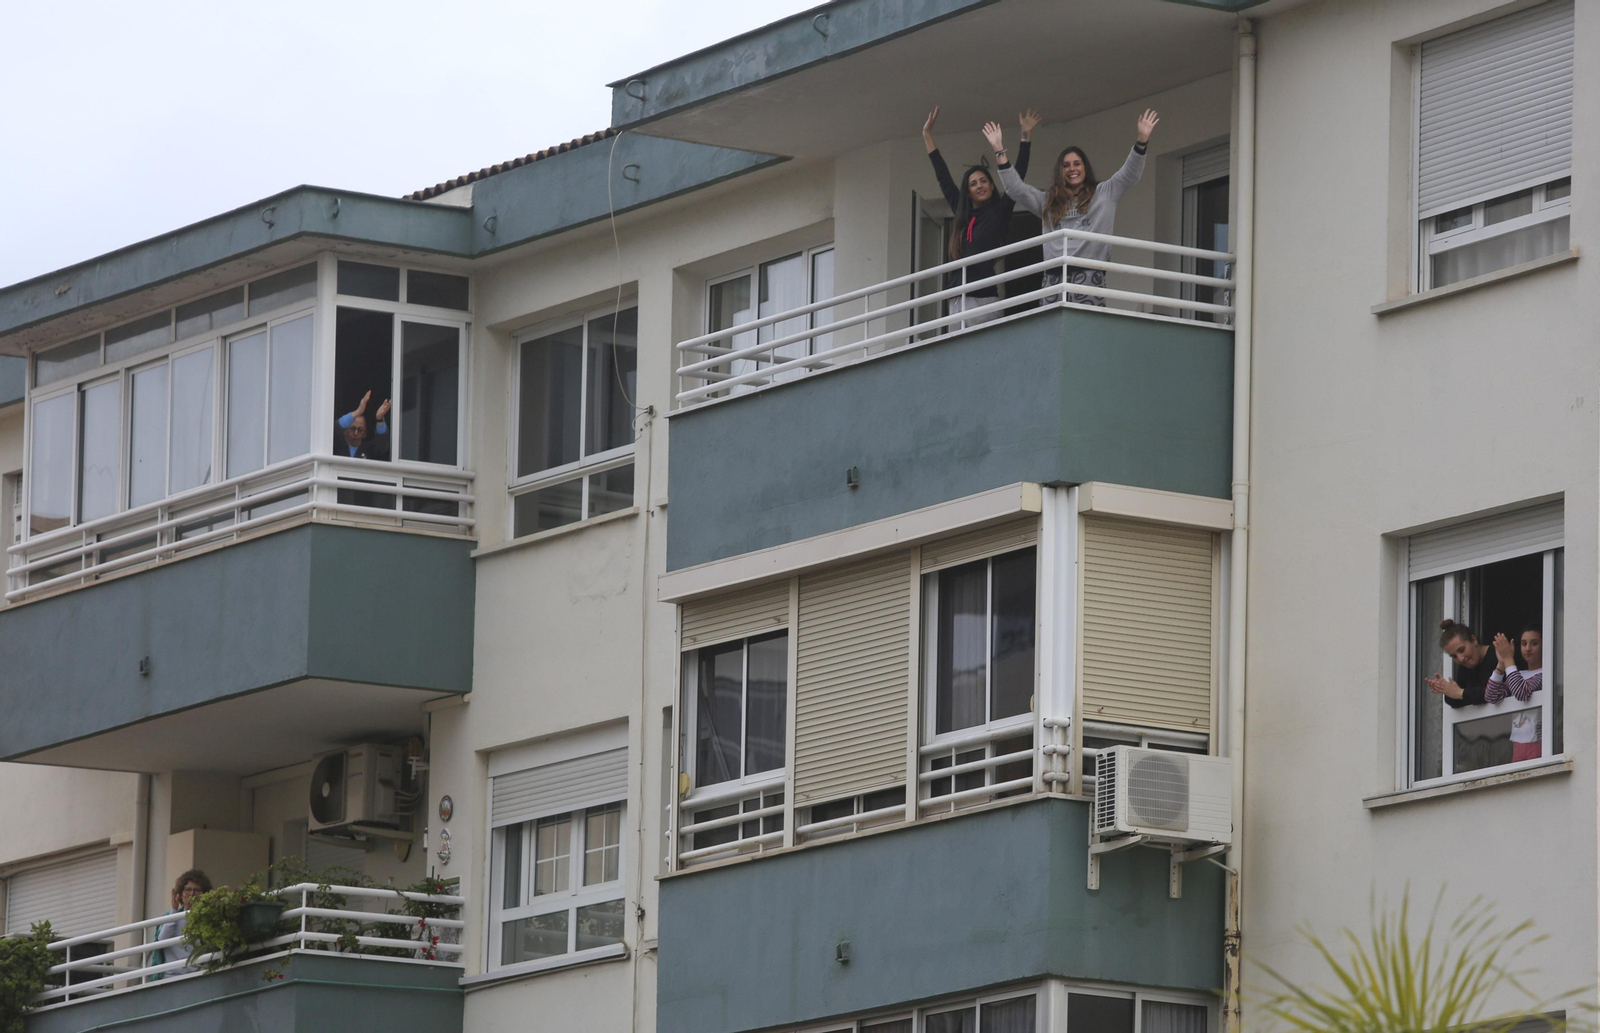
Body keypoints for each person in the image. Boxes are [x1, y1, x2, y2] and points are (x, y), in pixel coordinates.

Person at [987, 109, 1160, 306]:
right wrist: (999, 149)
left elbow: (1129, 174)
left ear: (1085, 168)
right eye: (1066, 165)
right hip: (1053, 278)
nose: (1072, 169)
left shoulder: (1104, 193)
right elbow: (1015, 189)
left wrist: (1142, 140)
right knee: (1053, 334)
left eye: (1077, 164)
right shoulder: (1048, 201)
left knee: (1085, 333)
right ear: (1060, 171)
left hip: (1088, 276)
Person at [923, 106, 1035, 328]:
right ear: (968, 191)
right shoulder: (961, 211)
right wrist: (927, 136)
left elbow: (1017, 178)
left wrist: (1025, 136)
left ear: (992, 187)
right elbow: (943, 178)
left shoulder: (998, 212)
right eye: (973, 184)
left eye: (984, 181)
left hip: (984, 298)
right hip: (956, 298)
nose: (980, 186)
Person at [1487, 625, 1544, 761]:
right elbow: (1491, 696)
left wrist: (1508, 660)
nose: (1528, 649)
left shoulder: (1545, 674)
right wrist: (1501, 664)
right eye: (1524, 644)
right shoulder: (1519, 675)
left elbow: (1521, 692)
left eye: (1534, 643)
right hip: (1518, 742)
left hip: (1540, 742)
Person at [1425, 618, 1502, 707]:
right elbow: (1457, 701)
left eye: (1461, 650)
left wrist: (1460, 693)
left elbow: (1492, 693)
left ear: (1474, 640)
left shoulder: (1498, 655)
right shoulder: (1465, 668)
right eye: (1454, 656)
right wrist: (1446, 689)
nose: (1460, 659)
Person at [151, 869, 211, 977]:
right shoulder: (170, 916)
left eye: (197, 890)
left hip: (197, 975)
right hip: (171, 976)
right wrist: (174, 909)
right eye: (188, 889)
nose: (192, 893)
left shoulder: (207, 919)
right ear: (181, 895)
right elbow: (161, 940)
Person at [336, 390, 391, 460]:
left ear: (365, 433)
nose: (356, 433)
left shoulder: (369, 449)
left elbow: (382, 445)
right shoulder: (337, 444)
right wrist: (358, 411)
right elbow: (336, 428)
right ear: (345, 430)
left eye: (360, 430)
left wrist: (379, 419)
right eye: (352, 428)